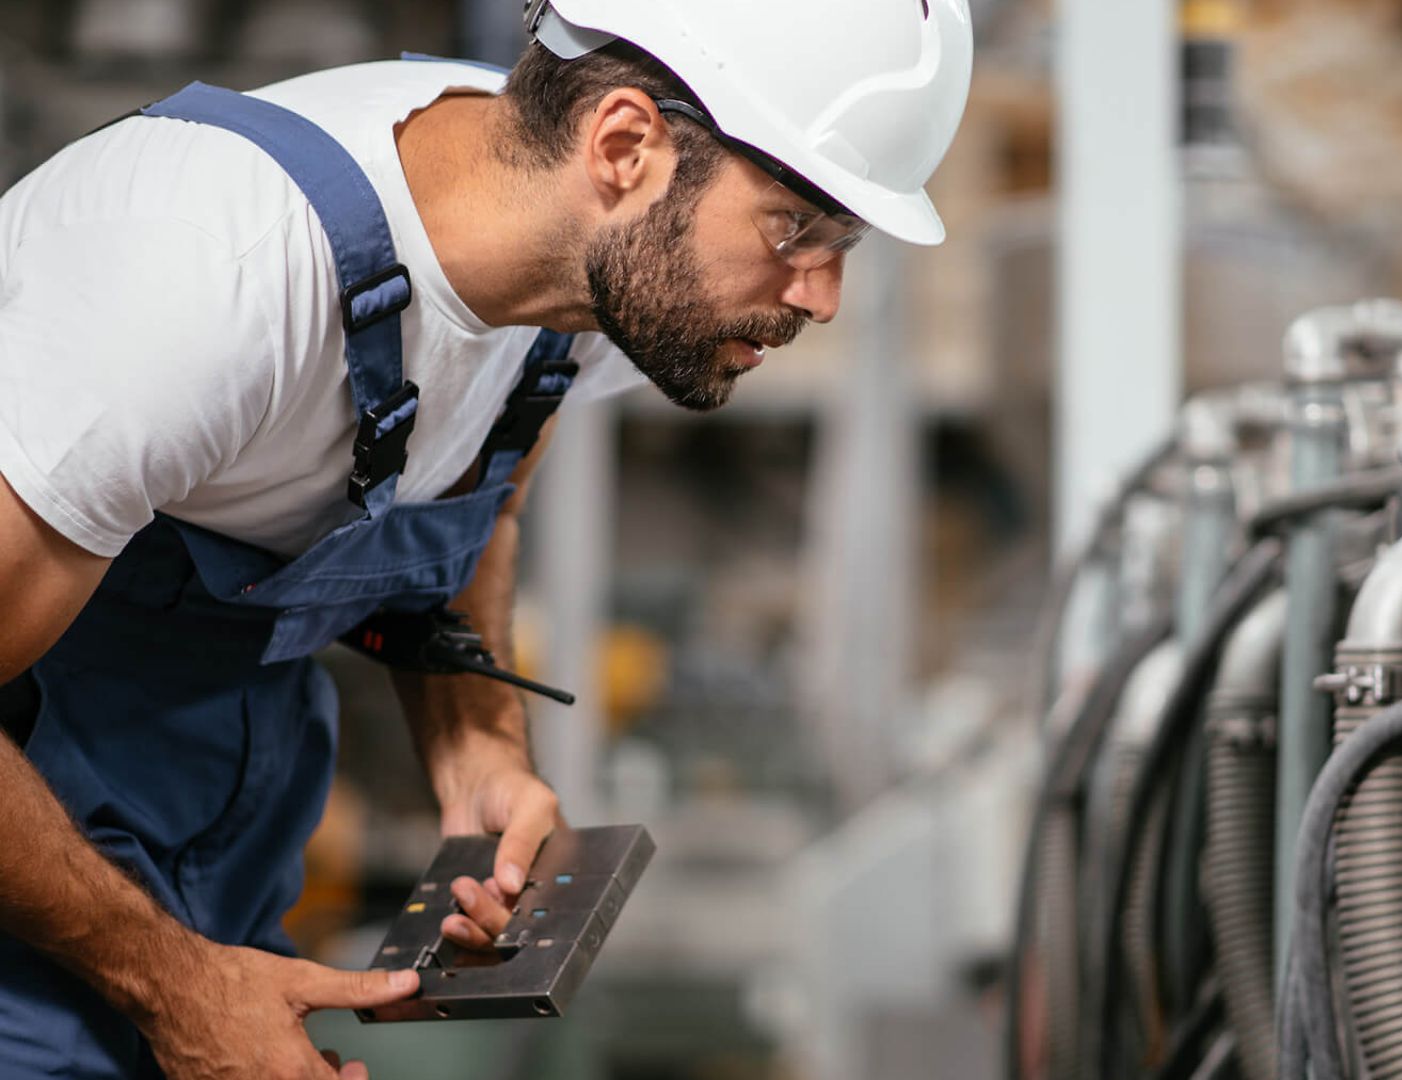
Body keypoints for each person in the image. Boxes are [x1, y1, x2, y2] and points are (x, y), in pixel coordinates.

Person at [0, 0, 973, 1075]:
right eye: (798, 226)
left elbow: (479, 495)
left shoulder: (584, 286)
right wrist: (179, 987)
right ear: (623, 146)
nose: (824, 296)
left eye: (847, 241)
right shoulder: (213, 286)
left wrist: (477, 746)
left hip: (211, 850)